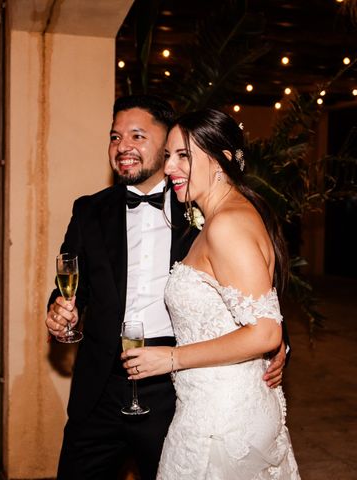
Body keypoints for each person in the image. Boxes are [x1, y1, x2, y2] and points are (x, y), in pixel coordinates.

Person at [46, 96, 288, 480]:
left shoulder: (203, 210)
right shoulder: (89, 211)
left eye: (137, 135)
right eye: (114, 136)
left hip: (172, 395)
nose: (122, 145)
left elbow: (255, 297)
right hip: (101, 391)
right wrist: (59, 311)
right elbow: (73, 288)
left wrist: (276, 345)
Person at [121, 108, 300, 479]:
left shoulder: (228, 224)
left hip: (221, 423)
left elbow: (266, 331)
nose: (169, 167)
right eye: (168, 155)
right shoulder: (222, 215)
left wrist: (172, 358)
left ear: (222, 159)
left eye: (183, 155)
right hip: (211, 406)